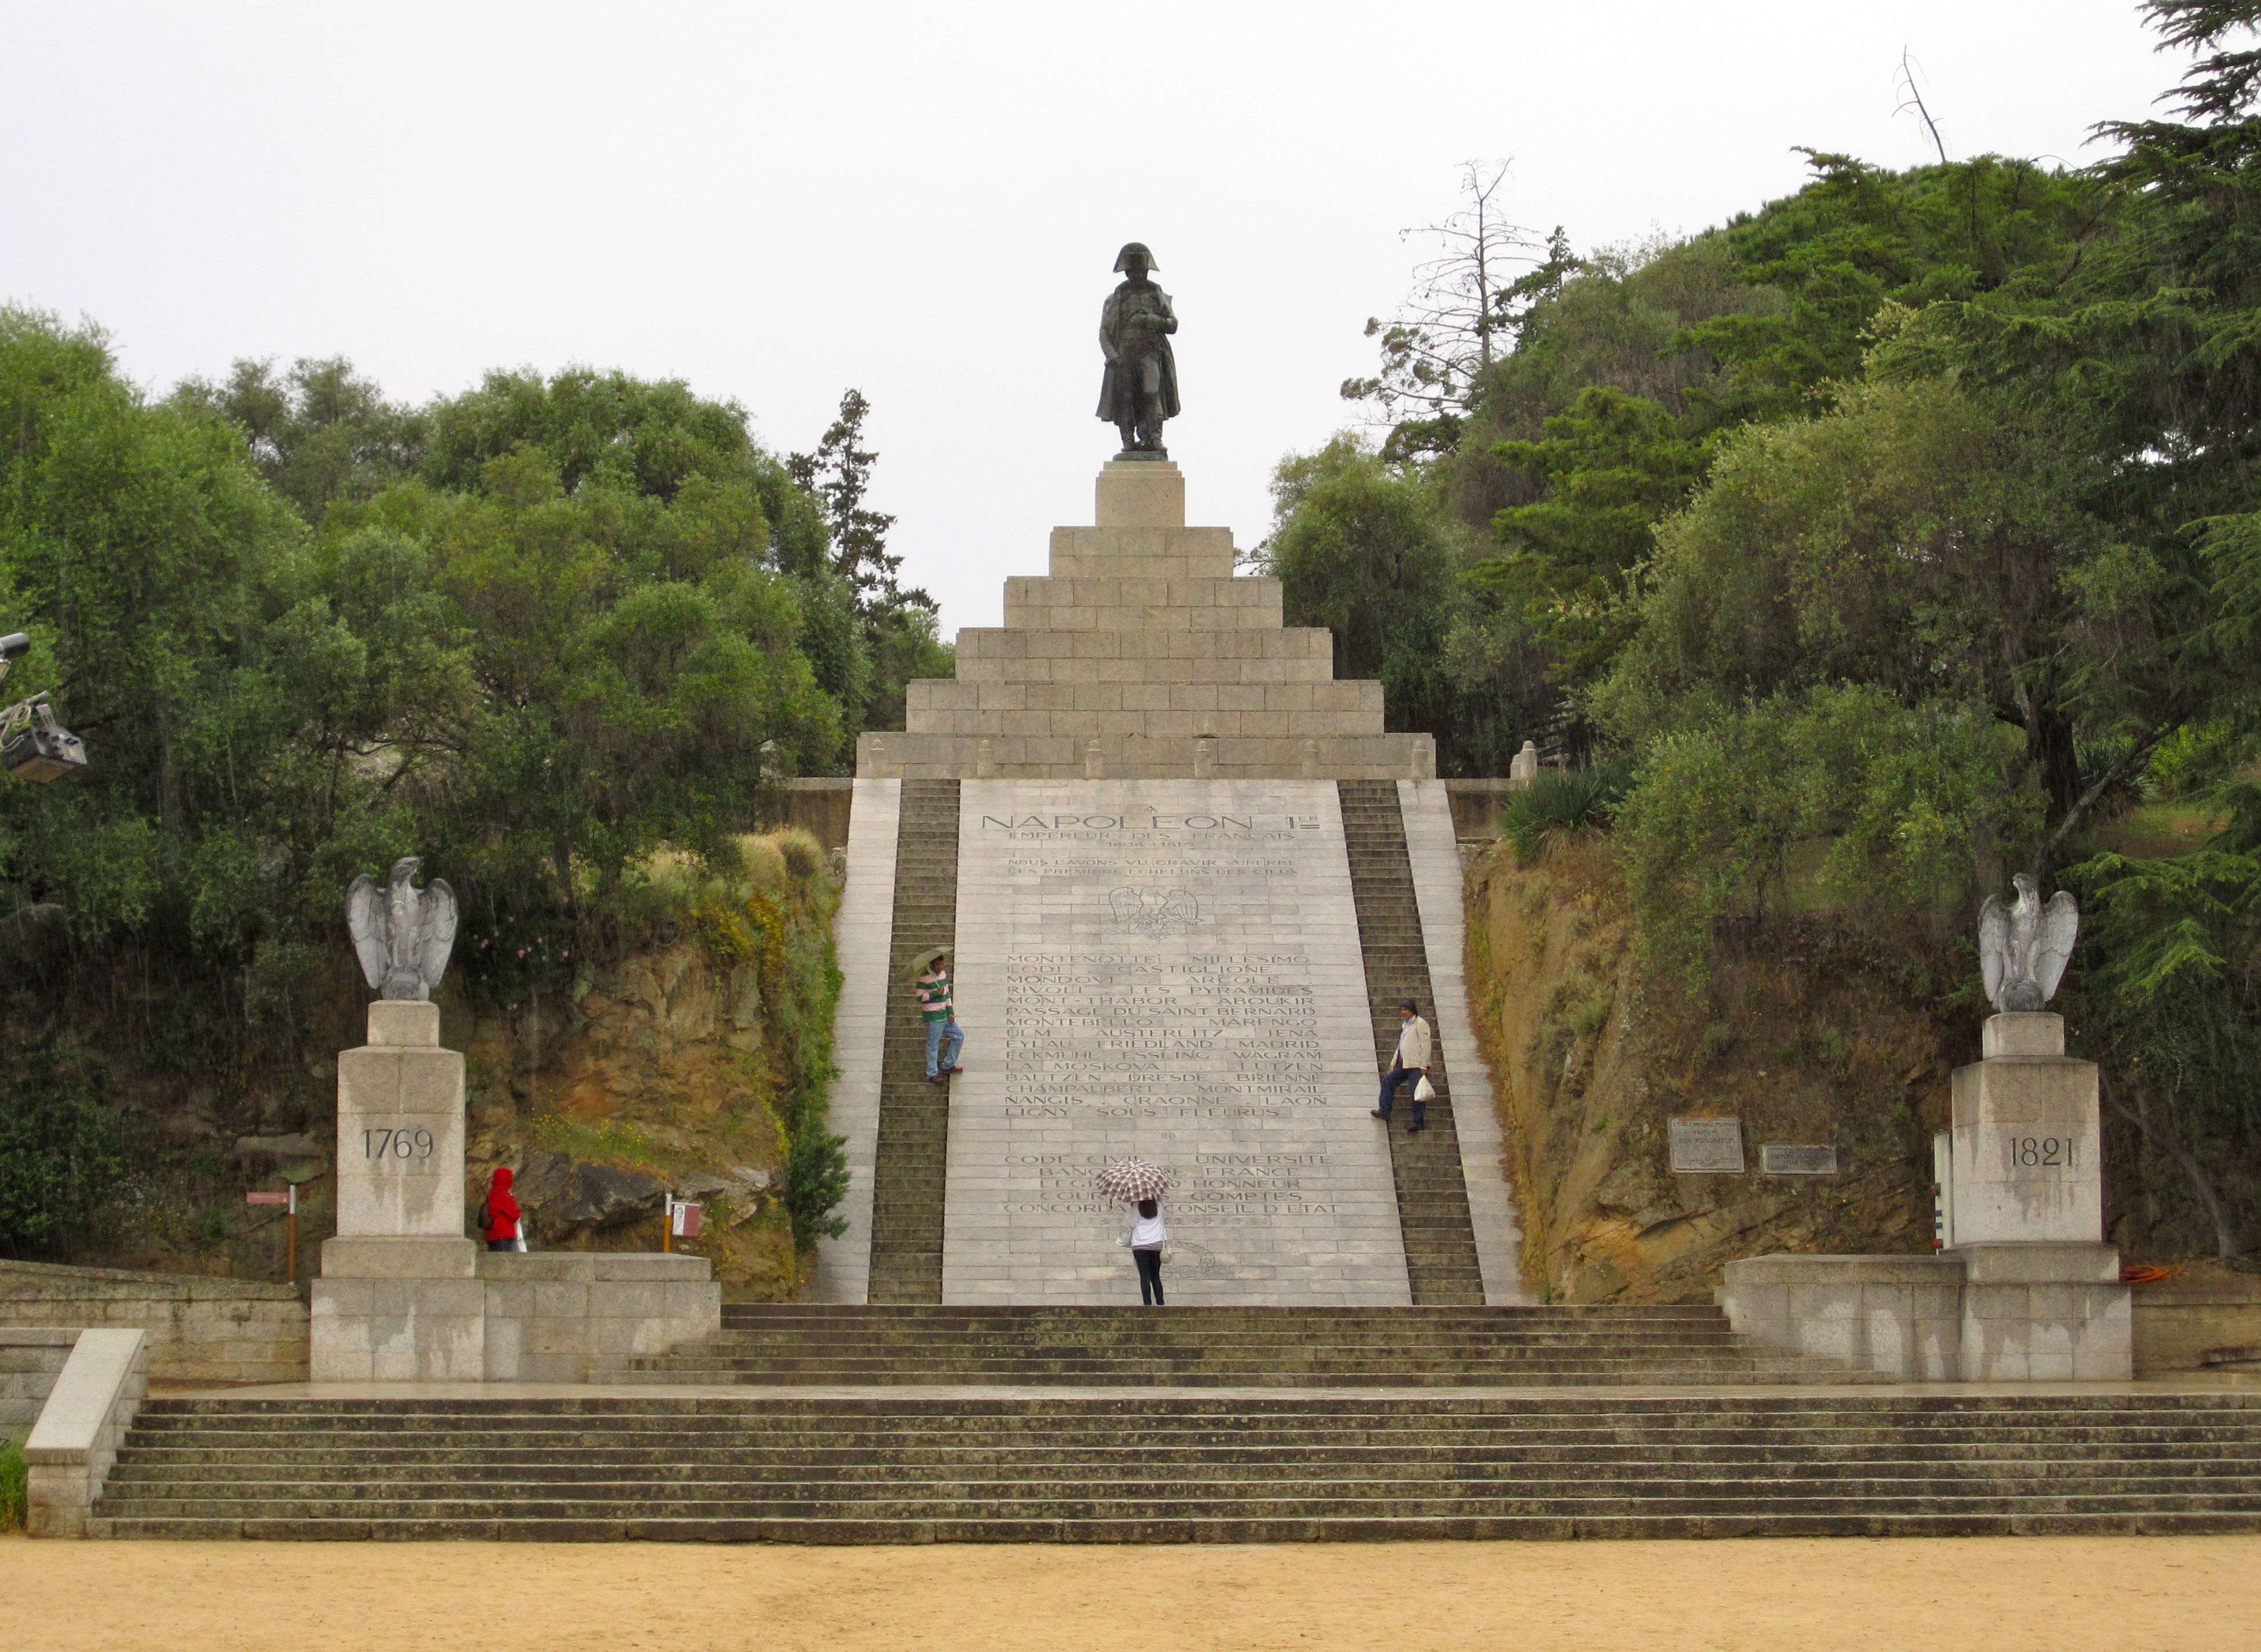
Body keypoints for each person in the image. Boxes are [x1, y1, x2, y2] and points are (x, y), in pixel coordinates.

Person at [1096, 242, 1179, 456]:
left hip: (1150, 353)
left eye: (1141, 271)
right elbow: (1104, 331)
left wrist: (1150, 320)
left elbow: (1172, 324)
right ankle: (1128, 440)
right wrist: (1113, 355)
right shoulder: (1118, 296)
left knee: (1152, 393)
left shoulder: (1155, 293)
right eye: (1133, 271)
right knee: (1126, 398)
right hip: (1124, 356)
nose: (1137, 275)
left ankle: (1154, 438)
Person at [1370, 998, 1433, 1133]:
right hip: (1404, 1063)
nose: (1403, 1012)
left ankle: (1418, 1122)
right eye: (1402, 1010)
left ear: (1412, 1011)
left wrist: (1424, 1066)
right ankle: (1385, 1111)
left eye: (1405, 1010)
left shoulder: (1420, 1024)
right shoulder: (1405, 1025)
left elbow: (1426, 1045)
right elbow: (1401, 1045)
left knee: (1417, 1093)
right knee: (1388, 1081)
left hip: (1416, 1065)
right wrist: (1394, 1062)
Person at [915, 948, 964, 1085]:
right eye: (937, 965)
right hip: (933, 1016)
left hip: (944, 1014)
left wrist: (950, 1010)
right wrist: (935, 994)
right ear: (931, 965)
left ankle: (948, 1064)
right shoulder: (924, 978)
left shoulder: (942, 975)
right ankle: (932, 1073)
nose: (940, 967)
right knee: (933, 1045)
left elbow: (947, 994)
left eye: (941, 965)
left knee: (959, 1035)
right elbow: (919, 998)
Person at [1117, 1196, 1168, 1305]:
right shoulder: (1159, 1204)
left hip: (1140, 1245)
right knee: (1155, 1275)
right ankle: (1160, 1302)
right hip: (1156, 1244)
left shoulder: (1138, 1205)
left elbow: (1132, 1224)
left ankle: (1147, 1304)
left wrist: (1133, 1206)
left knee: (1144, 1275)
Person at [479, 1166, 521, 1253]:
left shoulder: (491, 1194)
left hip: (491, 1235)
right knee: (505, 1262)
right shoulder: (504, 1194)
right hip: (504, 1234)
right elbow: (515, 1214)